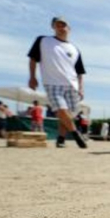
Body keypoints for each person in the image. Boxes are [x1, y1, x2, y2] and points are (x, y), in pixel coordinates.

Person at [27, 16, 87, 148]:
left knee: (68, 115)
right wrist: (32, 77)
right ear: (53, 27)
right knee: (61, 109)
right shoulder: (43, 41)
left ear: (69, 28)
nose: (61, 27)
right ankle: (76, 134)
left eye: (63, 25)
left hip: (72, 85)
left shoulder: (75, 49)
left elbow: (80, 72)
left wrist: (81, 88)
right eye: (58, 25)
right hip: (52, 83)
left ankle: (61, 138)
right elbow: (33, 59)